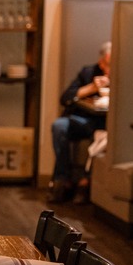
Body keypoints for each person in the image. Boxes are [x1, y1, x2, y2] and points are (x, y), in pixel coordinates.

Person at [49, 41, 111, 203]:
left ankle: (86, 181)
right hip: (83, 119)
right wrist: (91, 88)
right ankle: (63, 179)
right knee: (59, 126)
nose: (108, 70)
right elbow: (66, 98)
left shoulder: (122, 76)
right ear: (101, 61)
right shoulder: (88, 72)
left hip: (106, 123)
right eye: (106, 64)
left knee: (102, 135)